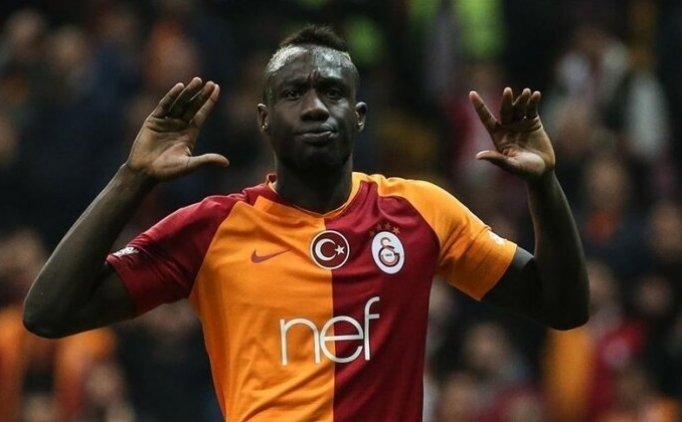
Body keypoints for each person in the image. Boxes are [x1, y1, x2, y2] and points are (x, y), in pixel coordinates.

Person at [23, 25, 589, 421]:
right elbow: (49, 313)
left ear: (358, 117)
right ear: (265, 120)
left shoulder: (422, 211)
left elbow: (562, 306)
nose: (315, 106)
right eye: (294, 93)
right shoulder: (213, 230)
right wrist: (132, 178)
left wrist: (543, 182)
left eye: (332, 92)